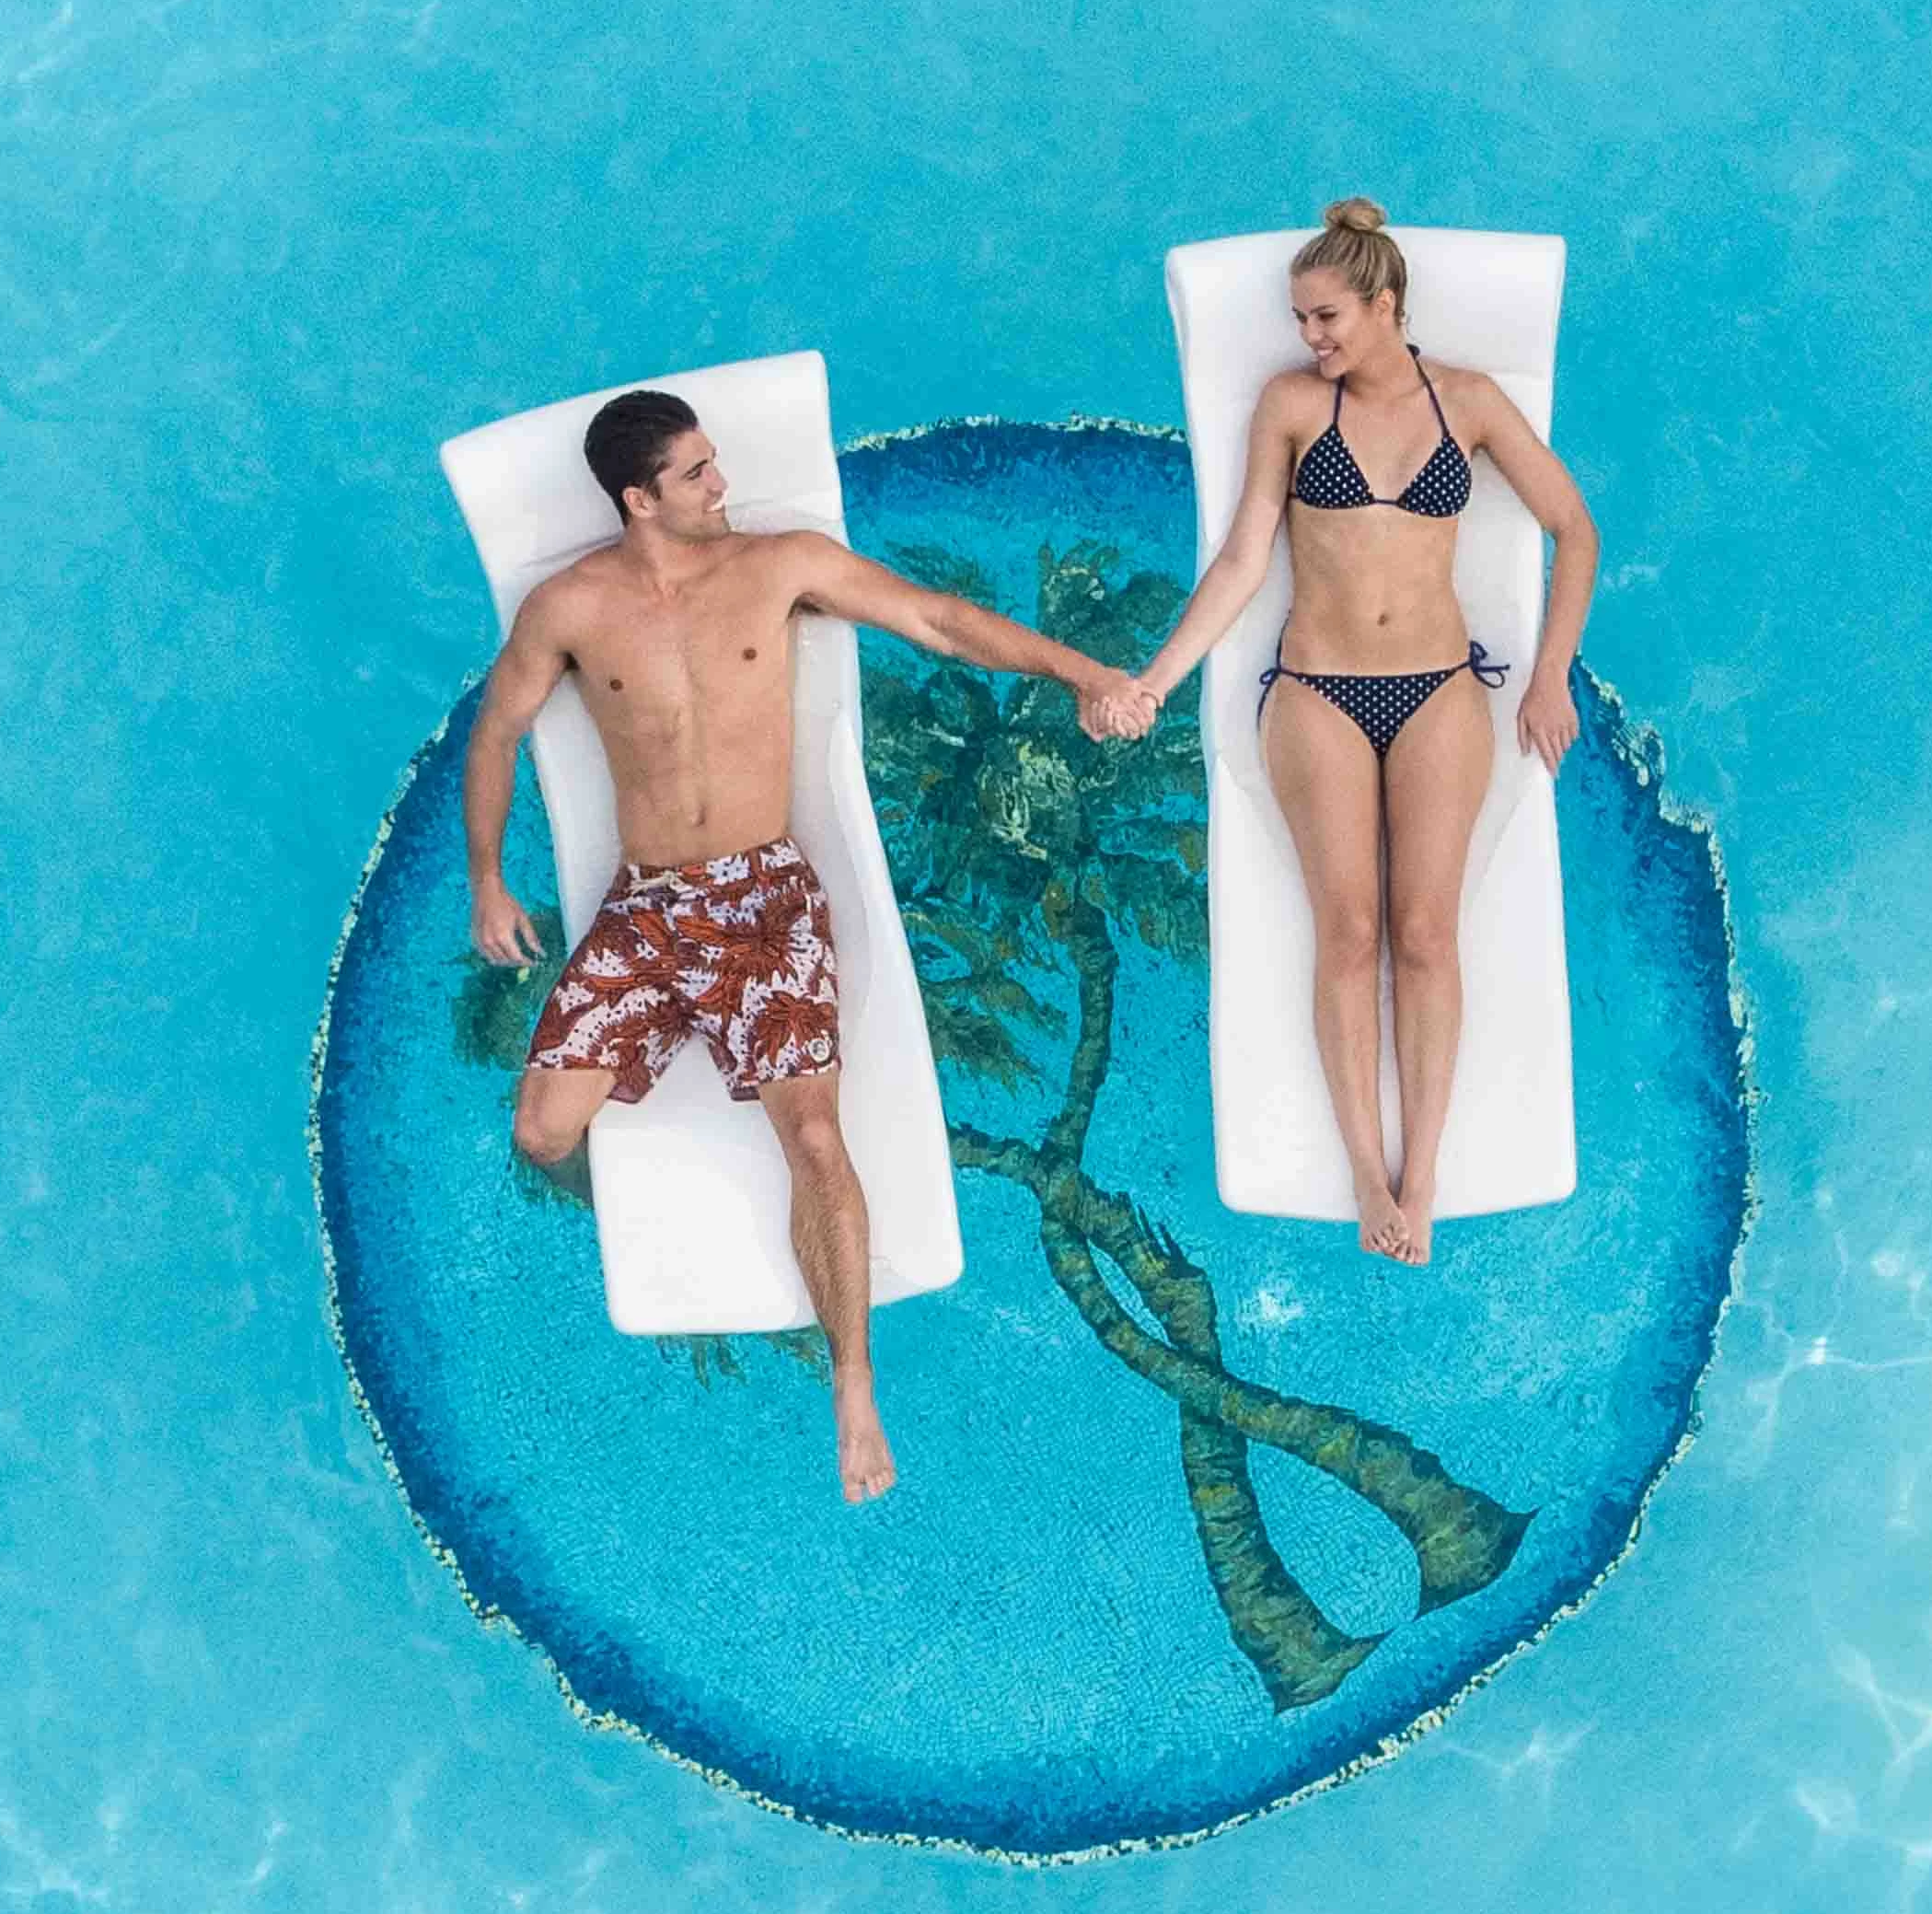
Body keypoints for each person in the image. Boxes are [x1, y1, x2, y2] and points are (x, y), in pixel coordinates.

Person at [469, 386, 1147, 1500]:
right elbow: (497, 734)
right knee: (542, 1134)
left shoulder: (780, 564)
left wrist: (1082, 673)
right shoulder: (569, 607)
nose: (721, 484)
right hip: (645, 911)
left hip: (762, 902)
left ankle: (853, 1388)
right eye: (695, 474)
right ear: (639, 500)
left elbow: (937, 618)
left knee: (816, 1142)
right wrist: (490, 880)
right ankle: (645, 1210)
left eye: (716, 462)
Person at [1125, 200, 1602, 1264]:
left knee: (1426, 935)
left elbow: (1575, 527)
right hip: (1319, 691)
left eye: (1329, 317)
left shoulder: (1469, 403)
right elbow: (1244, 560)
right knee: (1348, 933)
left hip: (1438, 686)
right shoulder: (1293, 407)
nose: (1314, 339)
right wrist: (1159, 678)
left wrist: (1552, 677)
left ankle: (1420, 1175)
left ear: (1386, 305)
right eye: (1301, 320)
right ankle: (1364, 1176)